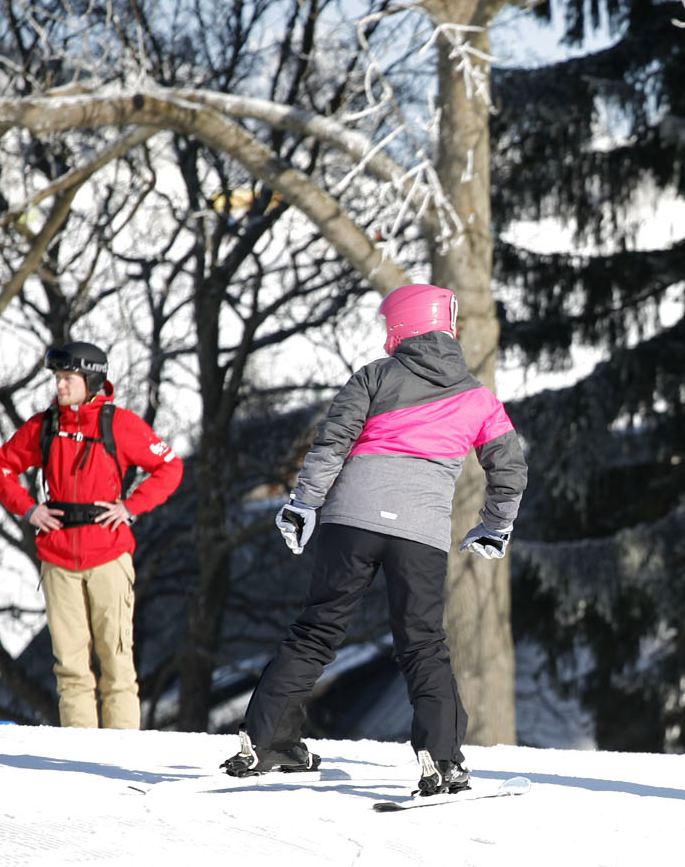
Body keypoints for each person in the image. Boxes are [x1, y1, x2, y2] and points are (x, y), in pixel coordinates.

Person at [223, 283, 528, 795]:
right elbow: (510, 469)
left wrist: (304, 504)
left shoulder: (373, 377)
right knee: (424, 645)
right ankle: (444, 761)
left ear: (402, 326)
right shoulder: (479, 398)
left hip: (350, 521)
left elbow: (331, 443)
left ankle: (268, 741)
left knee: (317, 630)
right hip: (420, 533)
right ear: (445, 325)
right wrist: (495, 526)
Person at [0, 342, 183, 728]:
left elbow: (170, 467)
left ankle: (121, 758)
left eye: (67, 378)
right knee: (71, 667)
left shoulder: (120, 424)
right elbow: (0, 470)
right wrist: (30, 509)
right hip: (58, 558)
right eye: (57, 379)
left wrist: (131, 506)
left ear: (90, 379)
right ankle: (79, 758)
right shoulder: (45, 426)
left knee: (117, 662)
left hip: (109, 555)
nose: (59, 386)